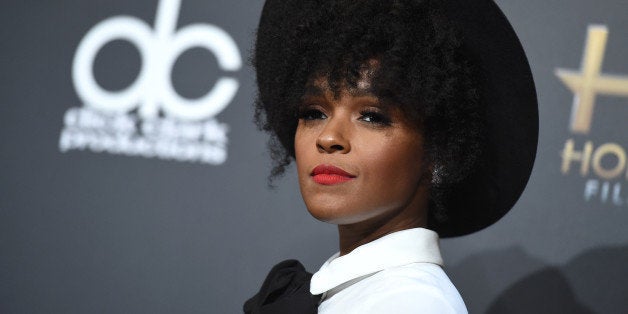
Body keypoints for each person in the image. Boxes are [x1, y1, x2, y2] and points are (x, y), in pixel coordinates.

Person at [244, 0, 538, 313]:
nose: (328, 137)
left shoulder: (413, 303)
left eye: (371, 117)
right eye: (314, 113)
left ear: (438, 152)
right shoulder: (365, 292)